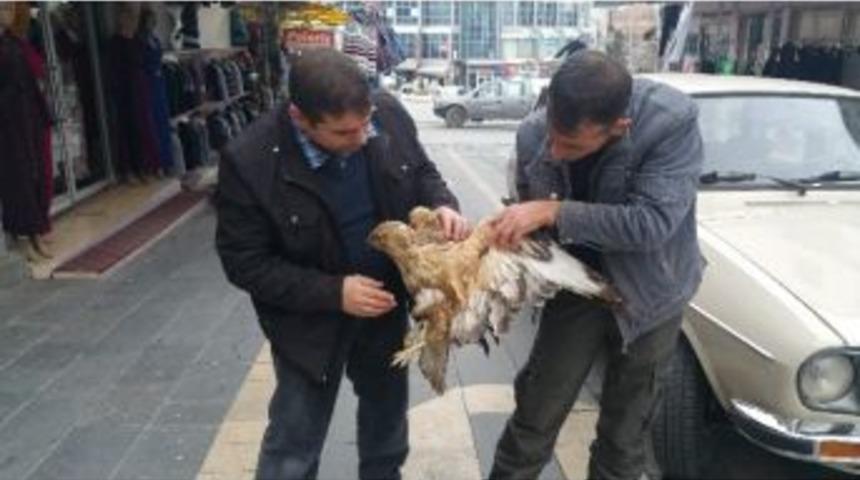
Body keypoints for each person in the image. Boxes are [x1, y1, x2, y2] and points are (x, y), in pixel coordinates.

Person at [215, 49, 468, 480]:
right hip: (308, 325)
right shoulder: (250, 160)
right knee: (293, 443)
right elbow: (245, 263)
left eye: (365, 123)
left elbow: (423, 172)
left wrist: (442, 204)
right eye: (344, 132)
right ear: (300, 118)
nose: (363, 137)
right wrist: (334, 293)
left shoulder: (386, 114)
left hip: (384, 308)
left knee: (387, 426)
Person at [489, 50, 705, 480]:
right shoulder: (533, 133)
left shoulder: (670, 123)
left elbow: (652, 224)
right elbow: (534, 221)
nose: (554, 151)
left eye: (571, 146)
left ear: (619, 127)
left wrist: (554, 212)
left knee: (625, 437)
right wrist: (505, 243)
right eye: (553, 135)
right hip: (575, 285)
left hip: (652, 295)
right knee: (534, 415)